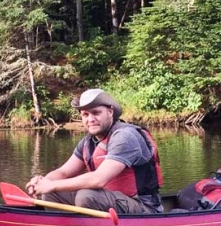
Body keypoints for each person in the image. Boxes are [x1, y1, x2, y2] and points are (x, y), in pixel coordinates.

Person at [26, 89, 164, 214]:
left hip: (144, 207)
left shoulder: (125, 136)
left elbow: (98, 179)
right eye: (85, 114)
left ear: (110, 112)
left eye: (96, 113)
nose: (90, 119)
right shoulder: (88, 141)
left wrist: (51, 185)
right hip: (109, 200)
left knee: (86, 196)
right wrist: (42, 182)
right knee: (51, 194)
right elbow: (63, 172)